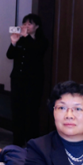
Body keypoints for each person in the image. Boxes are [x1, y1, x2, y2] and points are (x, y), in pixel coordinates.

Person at [6, 13, 49, 145]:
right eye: (24, 23)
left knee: (31, 111)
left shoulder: (41, 41)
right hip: (17, 80)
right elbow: (10, 55)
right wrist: (13, 42)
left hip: (33, 81)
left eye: (29, 24)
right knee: (17, 110)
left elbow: (37, 52)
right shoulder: (21, 39)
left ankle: (31, 141)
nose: (26, 26)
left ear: (37, 26)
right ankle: (17, 141)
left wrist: (26, 37)